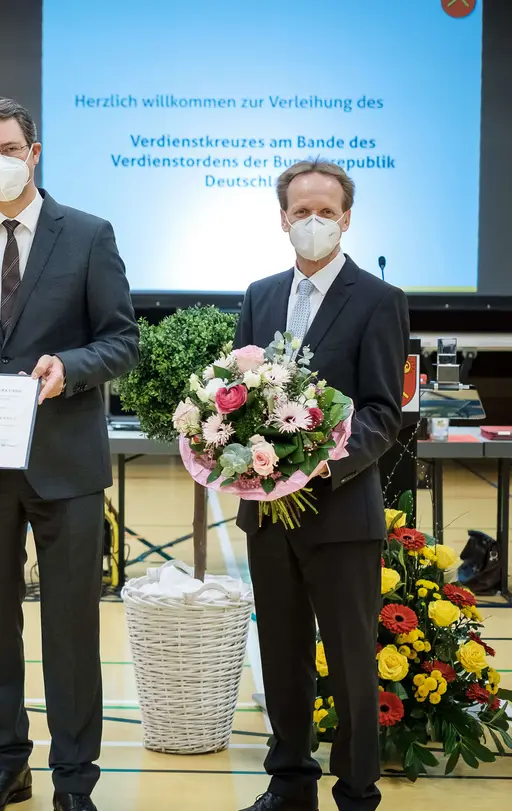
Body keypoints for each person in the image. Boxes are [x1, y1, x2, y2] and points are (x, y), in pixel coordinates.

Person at [0, 97, 139, 811]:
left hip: (66, 463)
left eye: (7, 148)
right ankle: (8, 761)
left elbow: (122, 341)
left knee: (71, 627)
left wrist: (67, 368)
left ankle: (75, 778)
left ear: (34, 152)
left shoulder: (89, 235)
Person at [234, 161, 408, 811]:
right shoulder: (258, 295)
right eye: (300, 211)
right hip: (269, 515)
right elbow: (238, 400)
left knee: (351, 660)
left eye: (325, 212)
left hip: (341, 514)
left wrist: (322, 462)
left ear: (346, 219)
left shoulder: (379, 301)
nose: (312, 222)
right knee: (282, 656)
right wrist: (239, 456)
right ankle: (290, 781)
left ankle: (357, 790)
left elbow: (383, 412)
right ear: (283, 218)